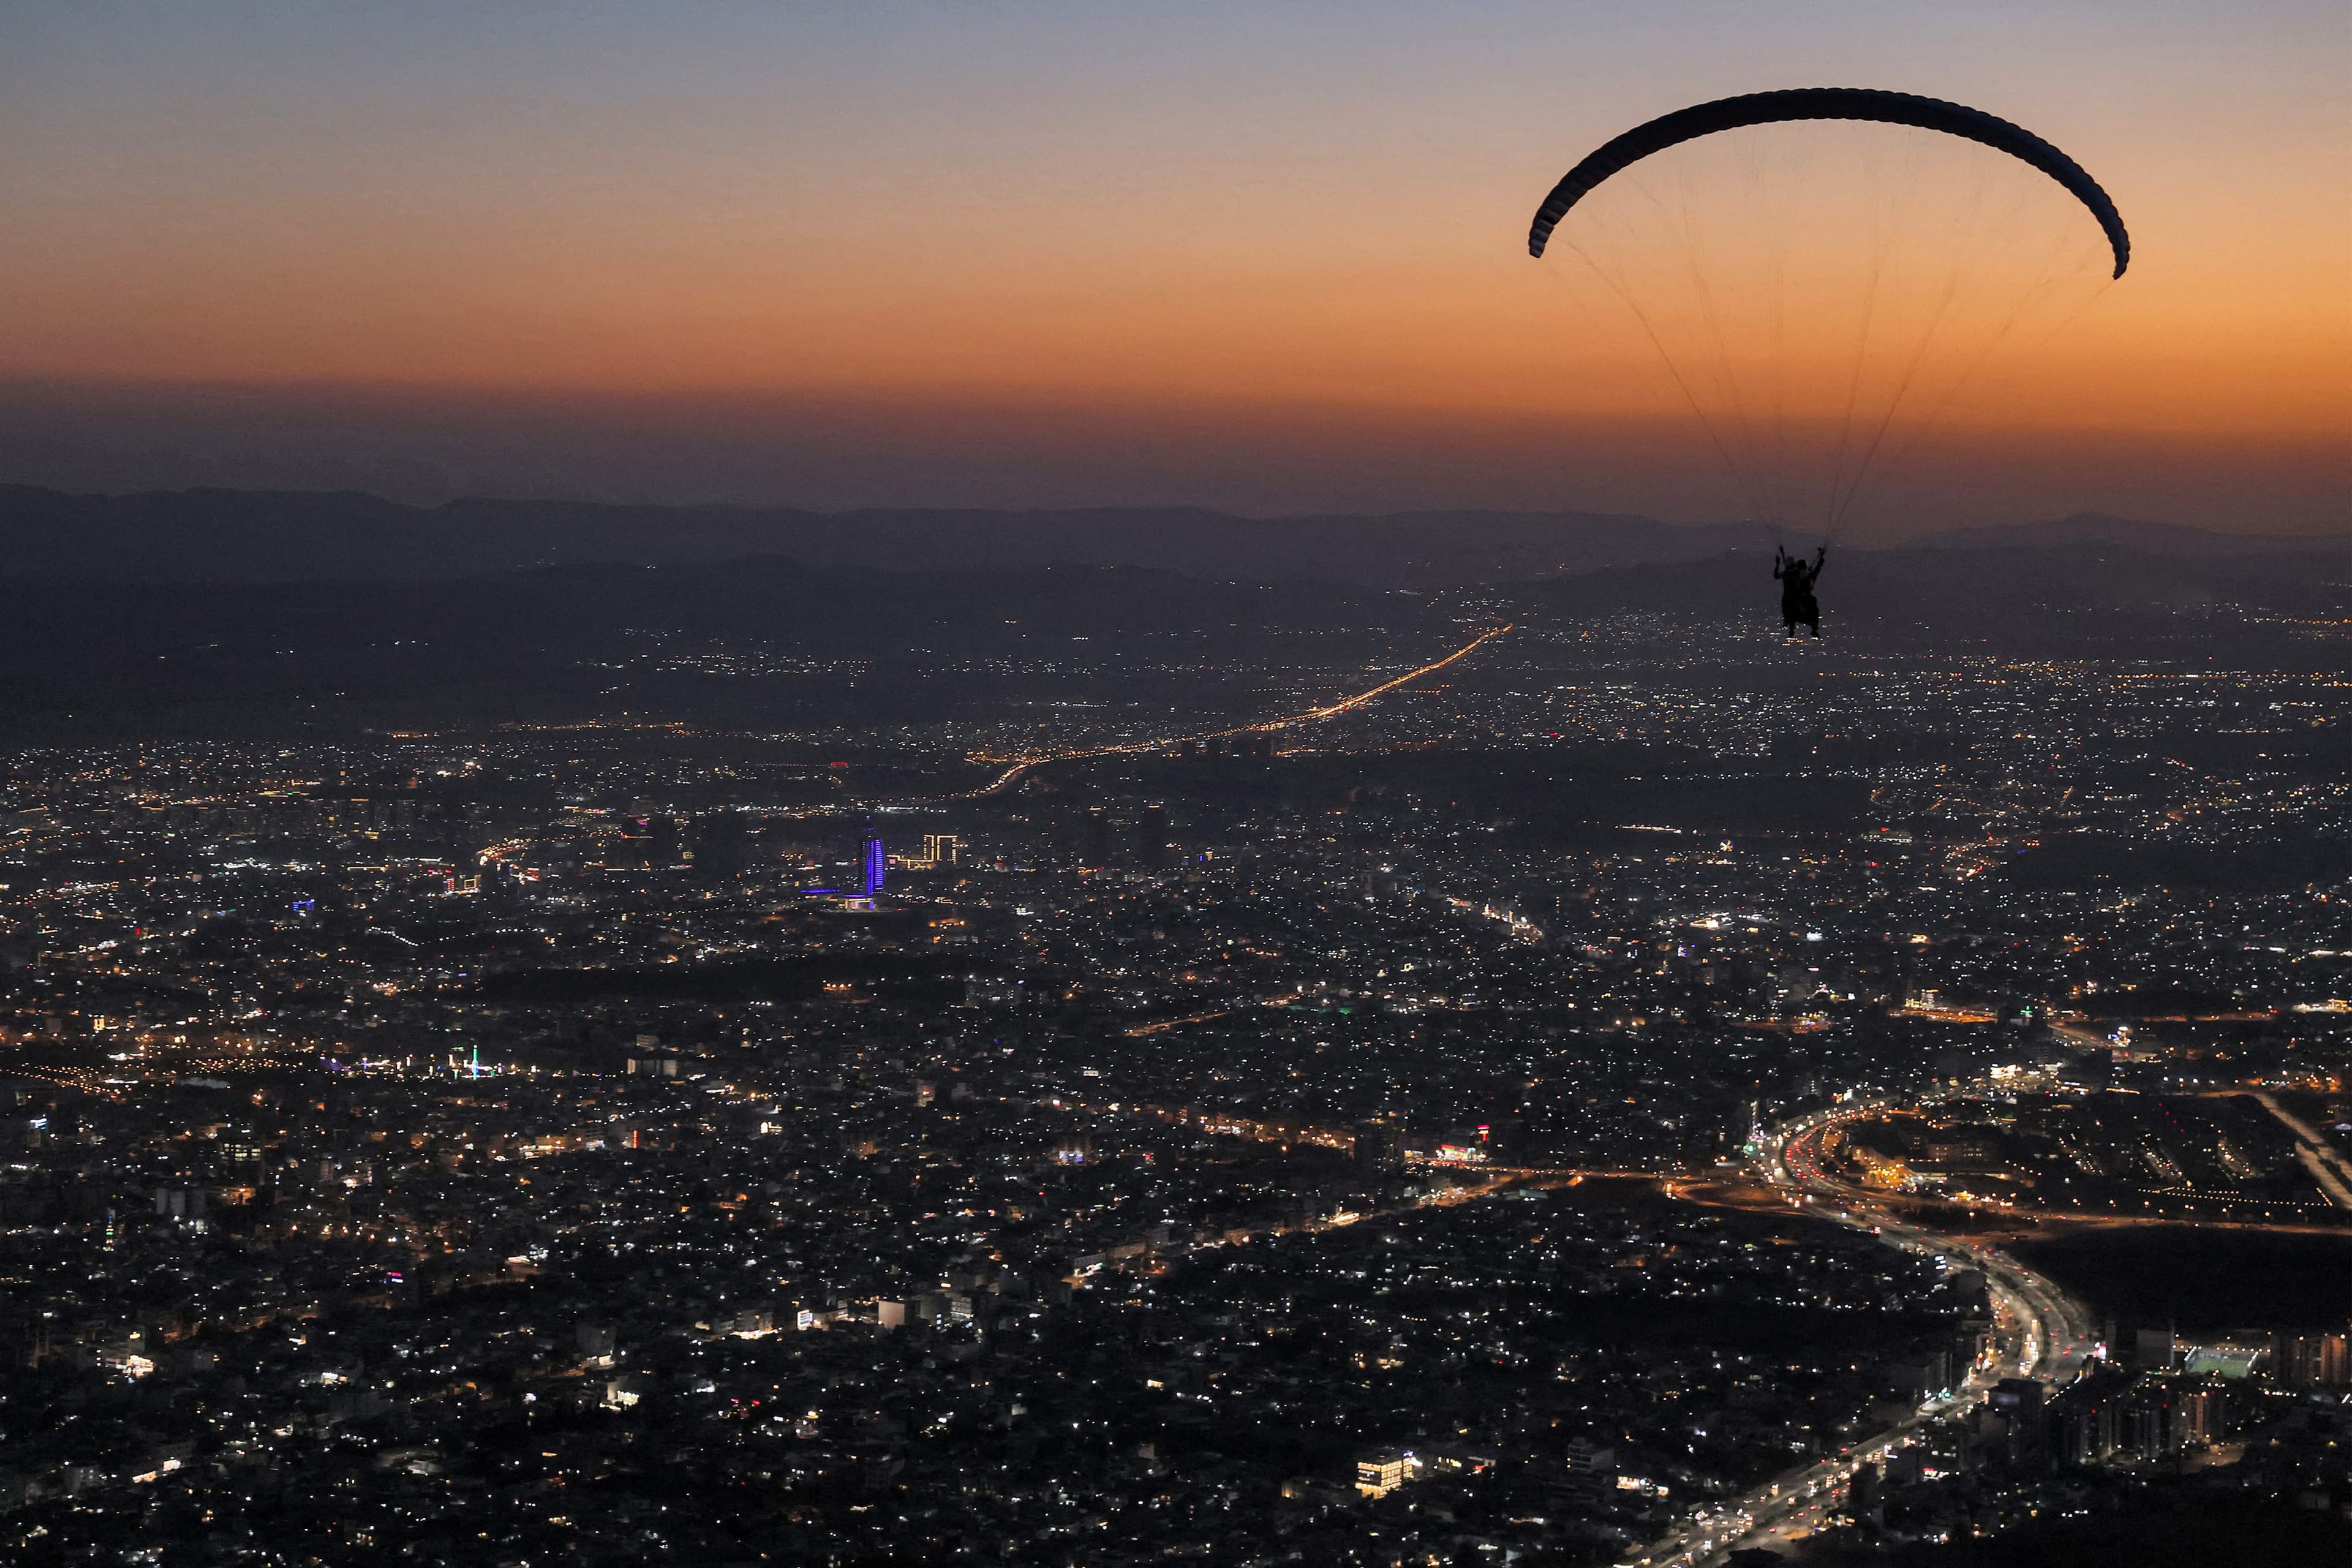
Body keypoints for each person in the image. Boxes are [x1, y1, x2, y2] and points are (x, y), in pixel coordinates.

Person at [1773, 545, 1825, 638]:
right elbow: (1814, 573)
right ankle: (1814, 628)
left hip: (1790, 598)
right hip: (1800, 597)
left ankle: (1790, 626)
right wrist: (1821, 560)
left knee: (1790, 608)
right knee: (1813, 606)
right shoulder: (1799, 574)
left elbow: (1777, 575)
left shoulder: (1788, 573)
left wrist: (1778, 562)